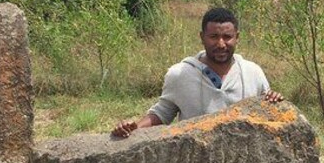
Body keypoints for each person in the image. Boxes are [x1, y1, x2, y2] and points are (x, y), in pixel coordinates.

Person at [111, 7, 283, 137]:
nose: (221, 44)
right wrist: (133, 128)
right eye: (214, 37)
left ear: (237, 37)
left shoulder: (252, 72)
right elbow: (162, 114)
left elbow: (268, 113)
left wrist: (275, 101)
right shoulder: (180, 74)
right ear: (202, 37)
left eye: (227, 37)